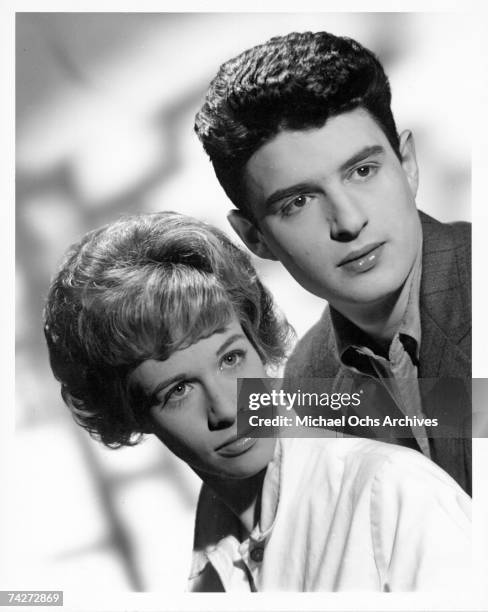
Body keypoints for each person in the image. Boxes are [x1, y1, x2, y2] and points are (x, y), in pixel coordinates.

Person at [43, 212, 471, 592]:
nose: (228, 409)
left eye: (231, 359)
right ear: (130, 414)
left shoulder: (395, 495)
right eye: (177, 390)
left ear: (256, 340)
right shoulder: (213, 566)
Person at [194, 30, 471, 494]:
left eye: (363, 171)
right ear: (254, 237)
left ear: (407, 165)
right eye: (298, 201)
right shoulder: (309, 379)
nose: (348, 221)